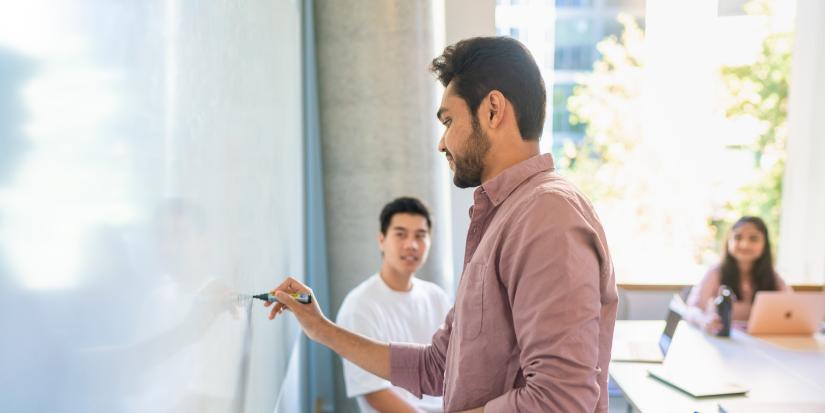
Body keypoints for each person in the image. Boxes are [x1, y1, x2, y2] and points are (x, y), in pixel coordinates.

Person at [265, 36, 618, 412]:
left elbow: (559, 401)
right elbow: (438, 367)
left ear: (493, 110)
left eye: (448, 120)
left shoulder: (548, 216)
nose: (441, 143)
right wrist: (322, 329)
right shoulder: (506, 216)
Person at [336, 197, 451, 413]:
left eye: (420, 235)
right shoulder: (359, 306)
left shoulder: (437, 297)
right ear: (382, 240)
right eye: (400, 234)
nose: (411, 244)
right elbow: (374, 394)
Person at [686, 216, 792, 334]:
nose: (744, 244)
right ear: (729, 241)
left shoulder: (773, 277)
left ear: (764, 244)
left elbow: (793, 310)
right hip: (725, 342)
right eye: (738, 237)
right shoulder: (715, 272)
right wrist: (704, 320)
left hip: (764, 342)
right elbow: (692, 309)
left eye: (753, 239)